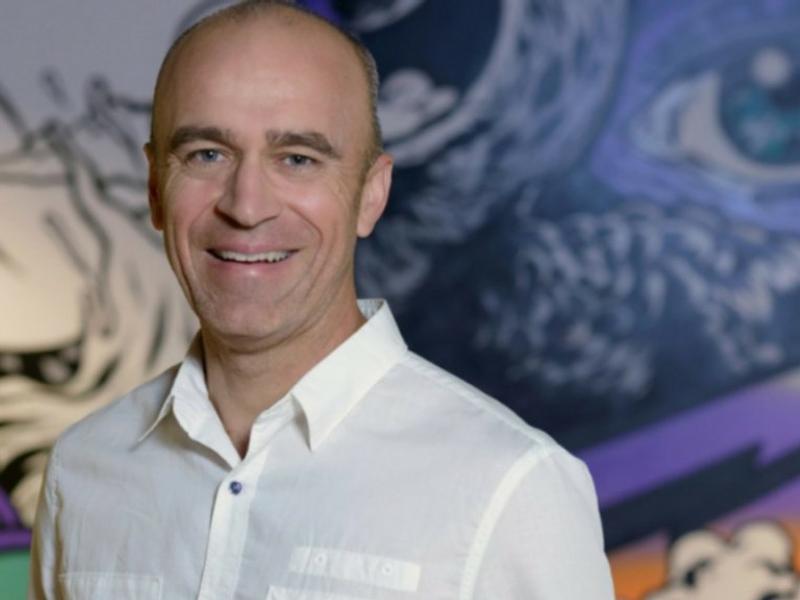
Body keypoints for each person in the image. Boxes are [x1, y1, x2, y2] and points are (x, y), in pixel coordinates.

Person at [29, 1, 615, 598]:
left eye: (298, 159)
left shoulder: (512, 489)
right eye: (207, 154)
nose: (247, 206)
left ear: (371, 195)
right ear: (156, 188)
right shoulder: (83, 469)